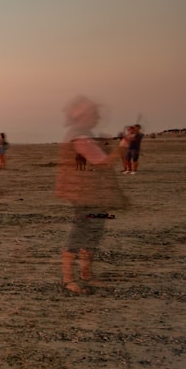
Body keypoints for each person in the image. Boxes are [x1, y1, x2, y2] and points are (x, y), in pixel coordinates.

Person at [54, 96, 128, 294]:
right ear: (83, 117)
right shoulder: (80, 136)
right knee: (82, 233)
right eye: (94, 114)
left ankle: (86, 274)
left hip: (89, 194)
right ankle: (69, 278)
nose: (97, 117)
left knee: (92, 233)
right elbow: (102, 162)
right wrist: (121, 149)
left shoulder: (81, 135)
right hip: (85, 195)